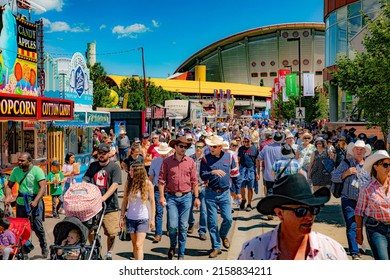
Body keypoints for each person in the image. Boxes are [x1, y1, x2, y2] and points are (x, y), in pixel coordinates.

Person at [238, 174, 348, 260]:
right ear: (280, 214)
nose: (309, 216)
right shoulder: (253, 251)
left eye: (314, 209)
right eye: (301, 211)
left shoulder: (333, 251)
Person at [158, 136, 200, 260]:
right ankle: (172, 245)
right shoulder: (167, 162)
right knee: (172, 226)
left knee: (183, 226)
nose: (183, 149)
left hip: (186, 197)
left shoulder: (190, 162)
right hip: (171, 197)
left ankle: (181, 255)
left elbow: (194, 181)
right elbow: (161, 181)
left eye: (185, 147)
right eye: (181, 146)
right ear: (175, 147)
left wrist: (196, 197)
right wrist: (161, 197)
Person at [331, 139, 371, 260]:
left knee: (363, 225)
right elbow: (334, 176)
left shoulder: (369, 164)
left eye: (361, 150)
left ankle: (361, 245)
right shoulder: (346, 162)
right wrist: (346, 173)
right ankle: (354, 251)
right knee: (351, 224)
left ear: (365, 151)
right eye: (357, 149)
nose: (359, 151)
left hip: (364, 201)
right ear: (353, 151)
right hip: (348, 199)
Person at [3, 152, 48, 258]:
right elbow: (9, 185)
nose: (19, 162)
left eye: (22, 160)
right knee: (22, 228)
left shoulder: (37, 170)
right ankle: (24, 252)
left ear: (29, 161)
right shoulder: (15, 171)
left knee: (38, 227)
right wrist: (8, 196)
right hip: (21, 203)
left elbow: (43, 187)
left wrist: (36, 200)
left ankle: (44, 246)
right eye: (19, 160)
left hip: (34, 201)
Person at [200, 135, 239, 258]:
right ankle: (216, 246)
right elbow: (202, 175)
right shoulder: (205, 159)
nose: (211, 148)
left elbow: (235, 174)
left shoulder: (229, 157)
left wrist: (237, 192)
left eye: (214, 146)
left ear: (220, 147)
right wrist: (212, 172)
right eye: (210, 146)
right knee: (212, 222)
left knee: (228, 218)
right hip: (210, 193)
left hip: (225, 193)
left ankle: (223, 235)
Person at [83, 143, 122, 260]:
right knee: (89, 229)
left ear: (109, 154)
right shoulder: (93, 166)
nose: (101, 155)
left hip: (110, 205)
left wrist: (103, 198)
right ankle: (94, 248)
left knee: (111, 232)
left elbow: (115, 184)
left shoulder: (115, 167)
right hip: (93, 205)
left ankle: (109, 252)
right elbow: (86, 180)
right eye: (99, 153)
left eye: (104, 153)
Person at [355, 150, 390, 260]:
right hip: (376, 228)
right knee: (383, 259)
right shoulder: (367, 187)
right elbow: (359, 212)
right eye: (385, 165)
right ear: (375, 167)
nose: (389, 167)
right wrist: (359, 233)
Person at [120, 162, 155, 260]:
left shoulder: (148, 184)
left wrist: (152, 219)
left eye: (132, 171)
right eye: (130, 170)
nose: (130, 172)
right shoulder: (129, 183)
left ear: (138, 172)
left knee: (139, 245)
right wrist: (122, 217)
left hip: (143, 218)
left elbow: (152, 202)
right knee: (135, 245)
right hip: (131, 218)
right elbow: (124, 201)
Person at [148, 142, 172, 243]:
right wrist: (148, 189)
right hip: (158, 188)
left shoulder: (172, 161)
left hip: (170, 189)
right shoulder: (155, 161)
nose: (163, 154)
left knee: (171, 211)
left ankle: (170, 229)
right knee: (159, 211)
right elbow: (151, 176)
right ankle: (158, 234)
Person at [188, 140, 208, 240]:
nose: (198, 149)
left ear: (203, 148)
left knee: (203, 211)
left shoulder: (206, 159)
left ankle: (202, 230)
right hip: (191, 187)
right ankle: (191, 223)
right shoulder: (190, 158)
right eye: (197, 147)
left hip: (203, 187)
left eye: (200, 147)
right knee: (188, 209)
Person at [237, 135, 259, 212]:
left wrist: (258, 173)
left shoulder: (254, 149)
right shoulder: (241, 149)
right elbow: (238, 160)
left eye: (248, 141)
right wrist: (237, 170)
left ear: (251, 141)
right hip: (242, 169)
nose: (246, 143)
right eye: (244, 141)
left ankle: (249, 204)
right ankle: (243, 199)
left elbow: (257, 161)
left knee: (250, 188)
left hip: (251, 170)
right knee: (242, 187)